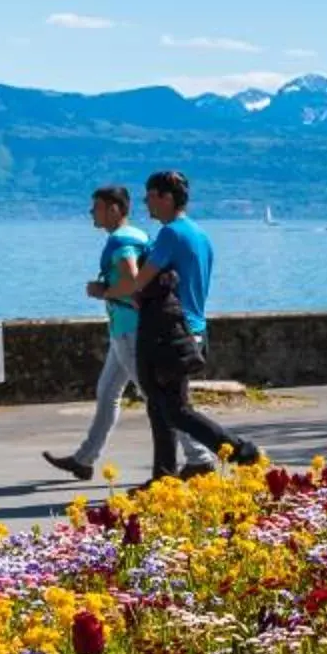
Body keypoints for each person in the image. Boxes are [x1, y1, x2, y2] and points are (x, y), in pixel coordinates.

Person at [92, 169, 262, 482]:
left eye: (151, 197)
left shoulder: (171, 234)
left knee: (175, 410)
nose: (145, 203)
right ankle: (165, 477)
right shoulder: (200, 235)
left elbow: (137, 283)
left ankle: (241, 451)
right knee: (160, 407)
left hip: (170, 332)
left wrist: (102, 290)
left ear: (167, 198)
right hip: (195, 328)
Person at [44, 184, 211, 482]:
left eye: (96, 207)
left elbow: (134, 280)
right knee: (108, 393)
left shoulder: (121, 240)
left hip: (131, 331)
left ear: (114, 209)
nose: (91, 213)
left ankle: (199, 456)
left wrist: (103, 292)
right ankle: (84, 459)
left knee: (161, 401)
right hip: (125, 328)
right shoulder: (139, 235)